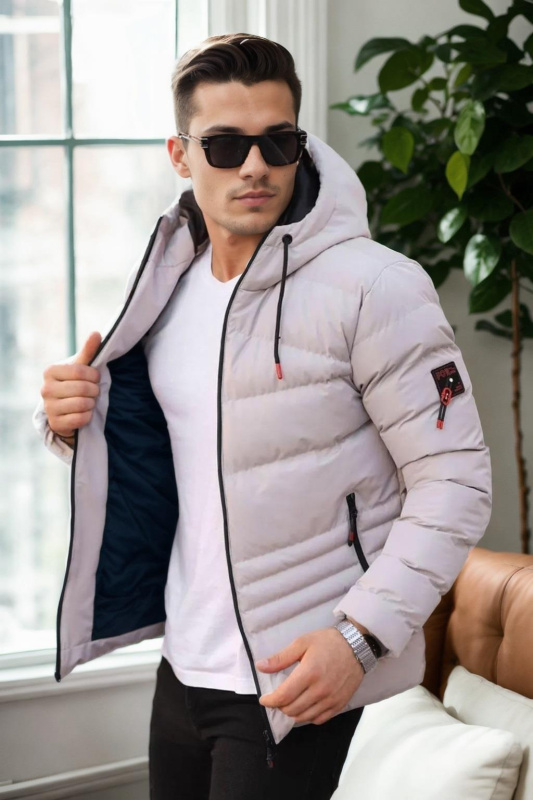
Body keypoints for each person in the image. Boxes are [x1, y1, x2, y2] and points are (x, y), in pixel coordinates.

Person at [33, 32, 492, 800]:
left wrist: (358, 639)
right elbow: (184, 453)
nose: (254, 166)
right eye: (224, 145)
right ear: (180, 157)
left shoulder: (376, 287)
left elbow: (456, 482)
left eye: (277, 142)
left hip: (301, 676)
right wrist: (70, 422)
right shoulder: (168, 284)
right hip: (185, 668)